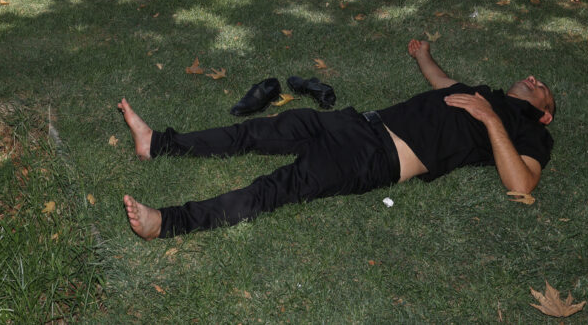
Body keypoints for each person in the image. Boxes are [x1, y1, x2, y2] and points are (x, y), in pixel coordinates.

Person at [120, 39, 556, 240]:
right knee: (252, 131)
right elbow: (445, 84)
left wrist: (490, 121)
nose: (533, 79)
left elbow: (522, 184)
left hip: (378, 156)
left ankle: (169, 222)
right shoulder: (487, 93)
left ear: (545, 113)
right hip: (355, 123)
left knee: (275, 189)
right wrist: (425, 56)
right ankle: (158, 144)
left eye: (541, 87)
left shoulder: (529, 131)